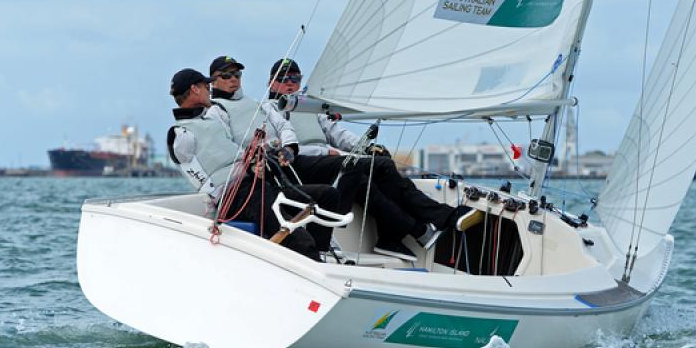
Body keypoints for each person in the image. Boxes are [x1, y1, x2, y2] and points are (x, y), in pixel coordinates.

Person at [265, 58, 478, 260]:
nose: (291, 84)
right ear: (272, 83)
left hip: (333, 165)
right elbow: (282, 150)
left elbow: (338, 134)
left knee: (377, 171)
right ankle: (424, 225)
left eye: (296, 78)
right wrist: (323, 153)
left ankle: (393, 238)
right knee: (381, 167)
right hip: (302, 169)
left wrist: (367, 147)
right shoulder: (269, 111)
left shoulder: (309, 108)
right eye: (284, 79)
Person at [166, 67, 339, 261]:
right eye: (206, 86)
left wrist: (252, 164)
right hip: (238, 198)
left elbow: (234, 154)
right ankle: (314, 265)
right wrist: (220, 195)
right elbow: (196, 174)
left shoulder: (210, 122)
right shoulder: (181, 134)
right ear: (195, 89)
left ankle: (321, 254)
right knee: (301, 240)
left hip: (257, 187)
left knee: (328, 195)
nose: (209, 89)